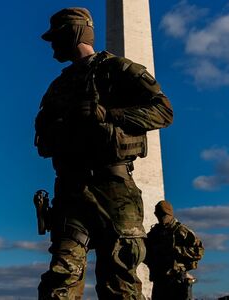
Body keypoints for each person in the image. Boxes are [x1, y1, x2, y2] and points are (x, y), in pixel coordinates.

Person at [34, 7, 174, 300]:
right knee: (59, 280)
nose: (51, 46)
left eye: (56, 38)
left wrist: (109, 115)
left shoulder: (118, 70)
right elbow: (43, 139)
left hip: (114, 192)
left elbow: (163, 111)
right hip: (71, 192)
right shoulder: (58, 86)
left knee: (119, 284)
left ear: (73, 34)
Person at [145, 200, 204, 300]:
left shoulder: (181, 231)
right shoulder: (154, 233)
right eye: (158, 214)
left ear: (170, 214)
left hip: (177, 279)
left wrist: (176, 250)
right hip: (160, 280)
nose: (161, 217)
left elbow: (199, 251)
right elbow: (145, 253)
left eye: (163, 214)